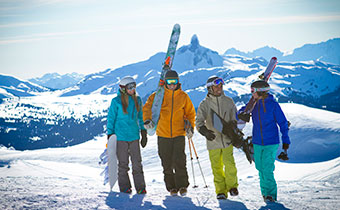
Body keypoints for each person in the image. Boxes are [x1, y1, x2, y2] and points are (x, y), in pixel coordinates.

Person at [143, 70, 196, 196]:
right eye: (169, 82)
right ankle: (171, 187)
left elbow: (190, 113)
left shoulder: (183, 96)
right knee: (166, 161)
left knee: (179, 160)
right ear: (165, 82)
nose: (172, 84)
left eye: (175, 81)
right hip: (163, 134)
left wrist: (190, 127)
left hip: (179, 133)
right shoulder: (158, 96)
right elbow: (147, 108)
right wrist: (147, 120)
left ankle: (182, 186)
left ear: (178, 82)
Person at [238, 80, 291, 203]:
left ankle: (270, 194)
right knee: (260, 168)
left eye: (253, 91)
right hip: (257, 142)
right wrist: (242, 114)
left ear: (260, 92)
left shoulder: (273, 105)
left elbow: (283, 123)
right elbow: (242, 110)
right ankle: (265, 193)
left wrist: (286, 141)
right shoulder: (254, 104)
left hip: (271, 142)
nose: (251, 94)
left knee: (267, 169)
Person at [196, 76, 239, 200]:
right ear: (209, 88)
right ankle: (221, 191)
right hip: (213, 140)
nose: (219, 88)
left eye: (220, 86)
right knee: (216, 167)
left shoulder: (228, 101)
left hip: (227, 139)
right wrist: (204, 131)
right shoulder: (205, 104)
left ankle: (232, 187)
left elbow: (235, 119)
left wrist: (235, 132)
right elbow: (198, 121)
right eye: (216, 86)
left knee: (229, 163)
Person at [107, 76, 148, 194]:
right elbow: (111, 119)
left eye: (134, 86)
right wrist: (110, 134)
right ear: (123, 89)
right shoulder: (116, 101)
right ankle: (125, 187)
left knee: (137, 163)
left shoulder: (137, 100)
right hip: (121, 138)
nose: (133, 89)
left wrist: (143, 132)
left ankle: (140, 187)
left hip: (134, 136)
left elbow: (140, 117)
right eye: (130, 87)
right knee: (123, 164)